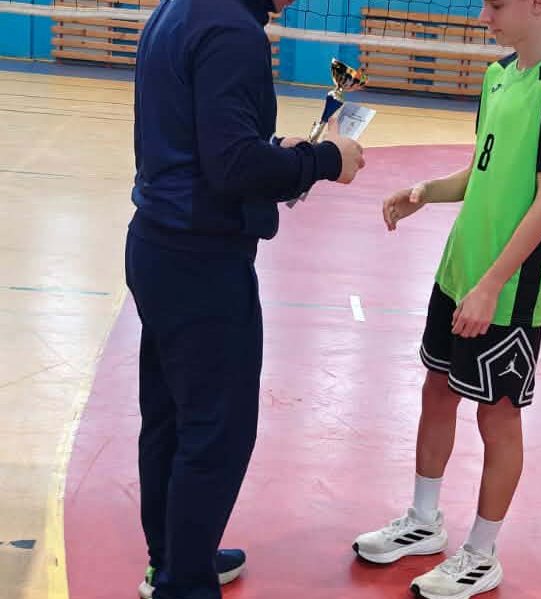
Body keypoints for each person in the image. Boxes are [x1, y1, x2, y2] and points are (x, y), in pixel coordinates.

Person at [352, 0, 541, 597]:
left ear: (537, 4)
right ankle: (423, 520)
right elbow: (482, 168)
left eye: (496, 3)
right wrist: (426, 192)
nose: (485, 15)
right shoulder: (497, 74)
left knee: (497, 414)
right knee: (436, 389)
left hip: (506, 291)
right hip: (459, 269)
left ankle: (482, 555)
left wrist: (491, 285)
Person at [125, 0, 364, 596]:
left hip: (159, 244)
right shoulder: (232, 30)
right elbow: (232, 167)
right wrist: (324, 160)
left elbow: (204, 135)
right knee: (216, 433)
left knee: (172, 420)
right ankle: (184, 584)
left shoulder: (178, 10)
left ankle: (174, 561)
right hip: (201, 261)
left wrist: (275, 151)